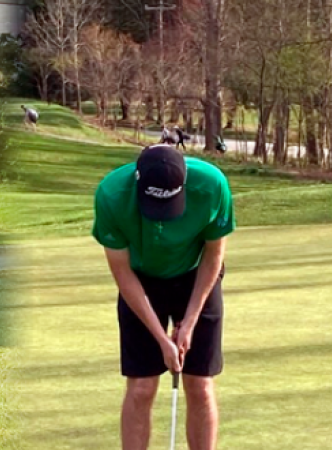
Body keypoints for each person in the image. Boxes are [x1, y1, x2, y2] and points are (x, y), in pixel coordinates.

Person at [93, 144, 233, 450]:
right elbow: (122, 273)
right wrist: (161, 338)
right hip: (141, 279)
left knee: (200, 386)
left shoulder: (212, 185)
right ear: (137, 181)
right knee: (141, 388)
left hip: (196, 276)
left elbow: (214, 258)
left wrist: (190, 323)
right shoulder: (111, 194)